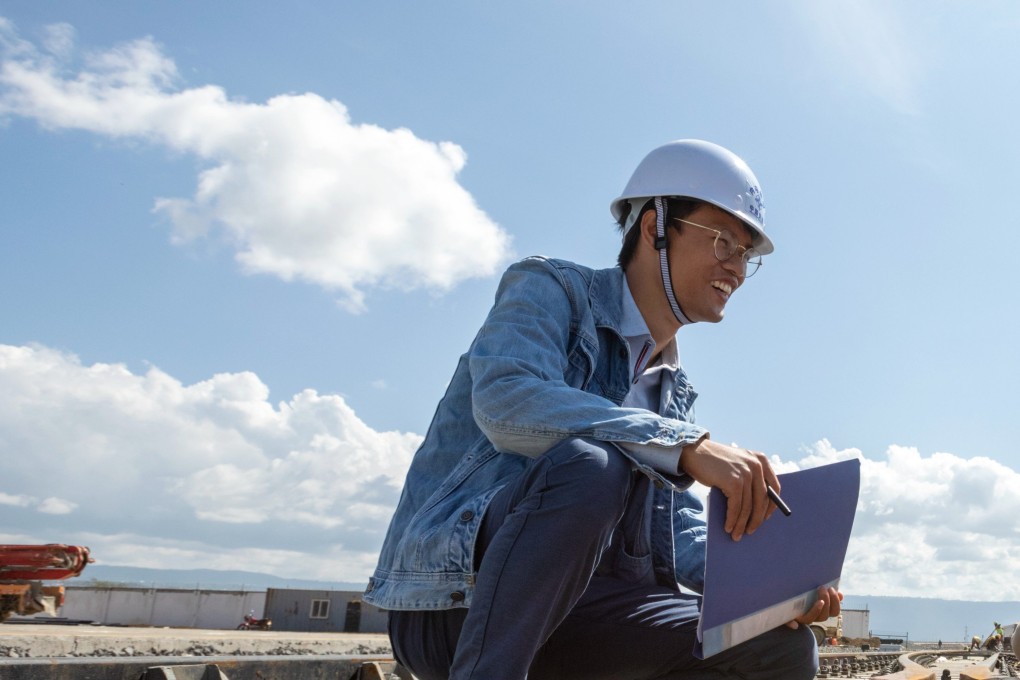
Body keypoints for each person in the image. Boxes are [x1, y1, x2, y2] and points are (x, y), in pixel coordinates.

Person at [364, 139, 841, 679]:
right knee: (591, 465)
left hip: (593, 615)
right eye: (723, 242)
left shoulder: (672, 392)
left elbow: (677, 533)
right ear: (655, 225)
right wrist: (685, 447)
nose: (735, 268)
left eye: (746, 256)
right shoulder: (551, 291)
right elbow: (506, 398)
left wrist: (773, 583)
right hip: (460, 606)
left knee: (775, 649)